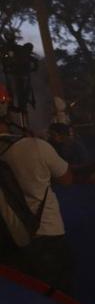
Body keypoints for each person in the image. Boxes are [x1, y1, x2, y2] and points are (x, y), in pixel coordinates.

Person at [0, 108, 74, 291]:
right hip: (48, 234)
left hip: (12, 243)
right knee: (60, 297)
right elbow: (67, 179)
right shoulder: (34, 146)